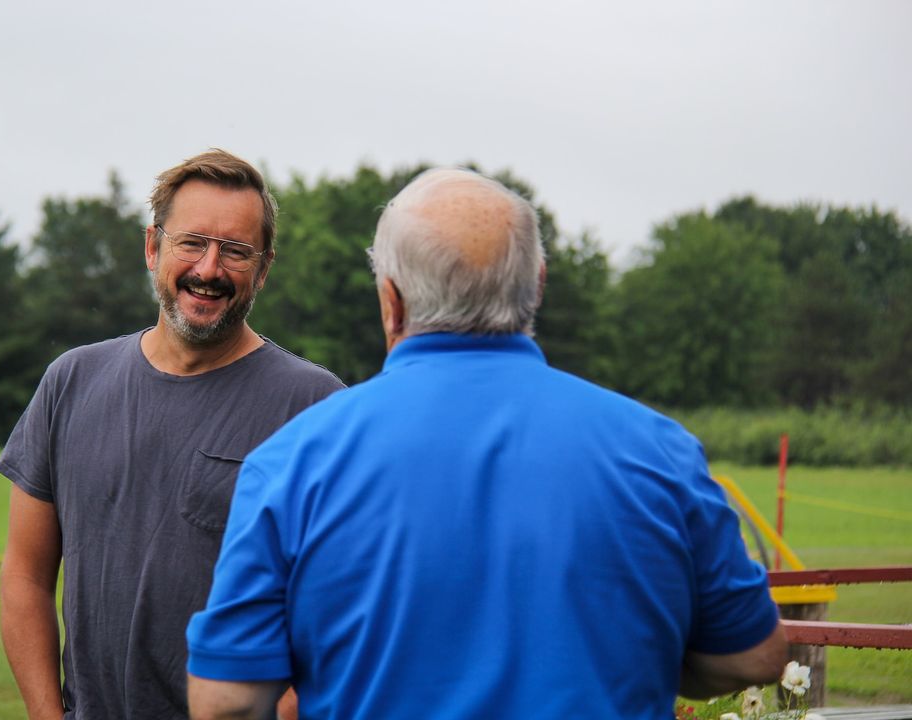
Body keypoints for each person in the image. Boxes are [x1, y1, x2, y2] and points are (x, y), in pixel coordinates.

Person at [184, 168, 789, 719]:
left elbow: (227, 702)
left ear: (390, 299)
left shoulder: (293, 462)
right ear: (537, 286)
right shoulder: (659, 452)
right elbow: (752, 657)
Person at [0, 149, 343, 720]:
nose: (209, 269)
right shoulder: (71, 382)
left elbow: (339, 607)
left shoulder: (314, 406)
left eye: (236, 251)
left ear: (263, 269)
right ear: (153, 247)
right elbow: (26, 576)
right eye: (192, 243)